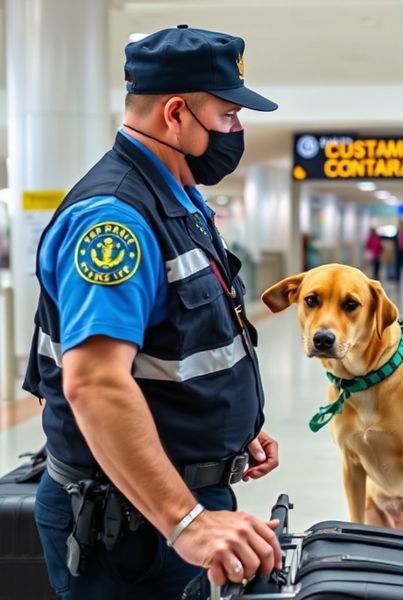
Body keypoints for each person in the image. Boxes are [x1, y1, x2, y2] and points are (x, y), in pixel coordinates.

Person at [23, 25, 283, 599]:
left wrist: (227, 425)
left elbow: (175, 346)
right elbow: (94, 383)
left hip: (167, 500)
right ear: (176, 113)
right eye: (227, 115)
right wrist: (186, 523)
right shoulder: (114, 219)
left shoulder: (179, 202)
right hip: (130, 525)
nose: (236, 130)